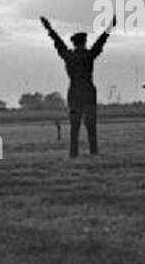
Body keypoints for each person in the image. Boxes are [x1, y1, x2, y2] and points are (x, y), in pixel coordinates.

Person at [41, 14, 114, 157]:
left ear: (74, 43)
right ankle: (94, 152)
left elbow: (58, 42)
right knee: (91, 126)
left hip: (74, 93)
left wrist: (49, 28)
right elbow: (100, 42)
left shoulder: (68, 56)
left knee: (74, 127)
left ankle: (73, 154)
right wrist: (109, 27)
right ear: (85, 42)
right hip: (88, 93)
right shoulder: (88, 55)